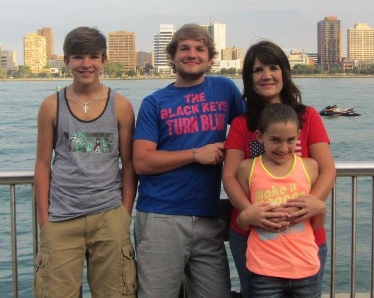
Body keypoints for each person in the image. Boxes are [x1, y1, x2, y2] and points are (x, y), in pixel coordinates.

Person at [133, 23, 245, 298]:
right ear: (172, 57)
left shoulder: (225, 89)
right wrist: (196, 154)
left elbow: (249, 132)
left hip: (208, 217)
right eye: (184, 48)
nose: (192, 54)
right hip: (161, 216)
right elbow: (142, 162)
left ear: (210, 58)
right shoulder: (154, 102)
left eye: (199, 49)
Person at [222, 40, 336, 297]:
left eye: (273, 67)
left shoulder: (308, 117)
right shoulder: (241, 124)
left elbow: (327, 169)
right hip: (253, 236)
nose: (267, 76)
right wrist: (249, 210)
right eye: (258, 70)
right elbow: (229, 176)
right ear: (249, 78)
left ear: (284, 72)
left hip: (303, 235)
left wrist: (312, 203)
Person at [34, 27, 137, 297]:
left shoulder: (121, 106)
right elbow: (42, 164)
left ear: (104, 61)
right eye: (78, 57)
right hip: (61, 218)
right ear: (66, 61)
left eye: (93, 56)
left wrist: (124, 213)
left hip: (109, 216)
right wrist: (44, 220)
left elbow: (129, 165)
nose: (86, 64)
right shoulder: (51, 106)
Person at [236, 103, 325, 298]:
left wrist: (321, 208)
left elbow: (317, 224)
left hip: (305, 266)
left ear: (299, 135)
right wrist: (248, 215)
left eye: (290, 140)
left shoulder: (309, 167)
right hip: (264, 269)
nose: (283, 148)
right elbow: (243, 222)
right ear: (260, 136)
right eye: (275, 140)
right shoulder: (247, 169)